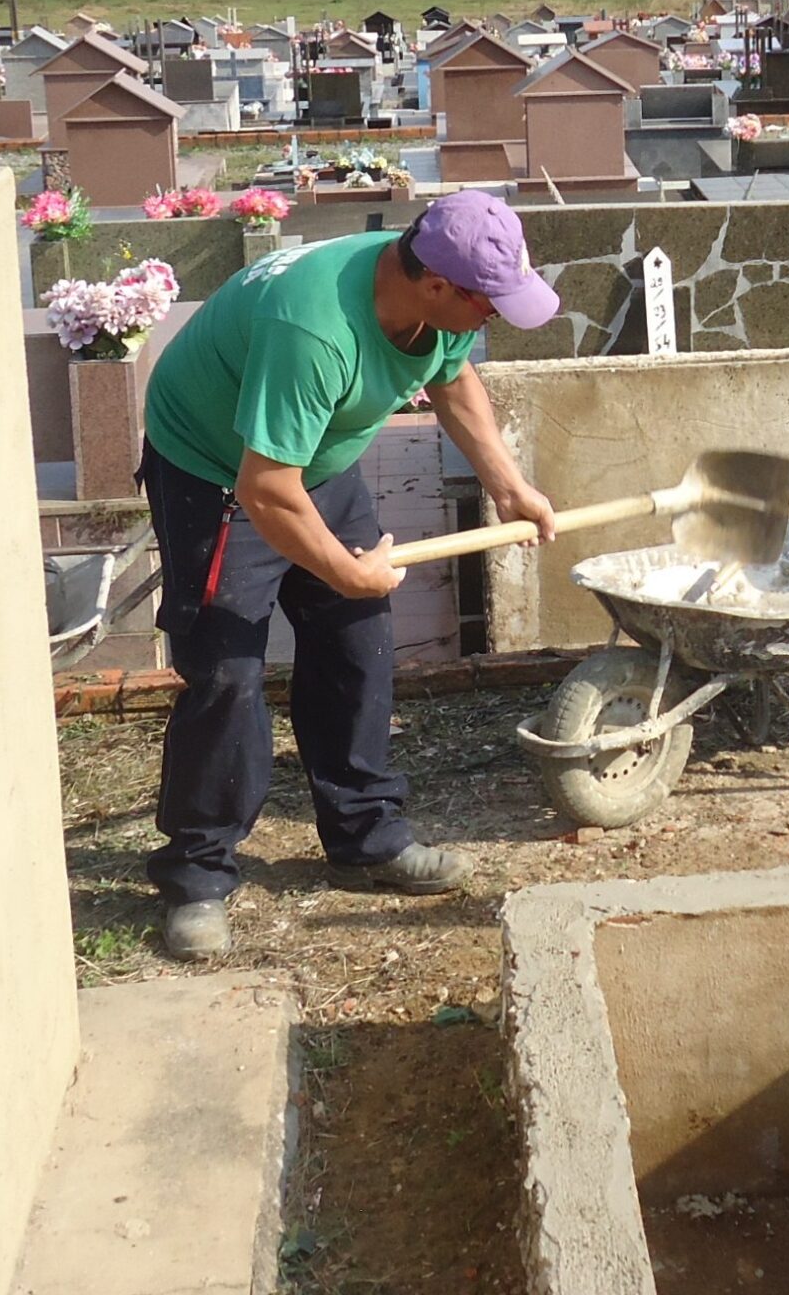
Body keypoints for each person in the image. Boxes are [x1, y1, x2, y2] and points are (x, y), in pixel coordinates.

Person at [136, 191, 563, 960]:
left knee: (356, 640)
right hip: (220, 474)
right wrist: (346, 570)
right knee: (228, 669)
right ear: (437, 282)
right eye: (490, 306)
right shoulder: (315, 330)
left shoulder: (433, 307)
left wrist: (508, 483)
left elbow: (453, 379)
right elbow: (267, 490)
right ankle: (197, 875)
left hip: (312, 465)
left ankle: (366, 834)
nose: (494, 320)